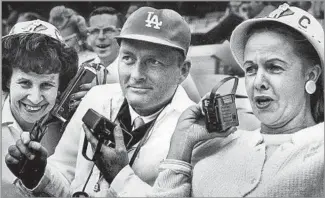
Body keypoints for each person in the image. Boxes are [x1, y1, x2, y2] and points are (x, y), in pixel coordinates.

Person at [6, 7, 195, 197]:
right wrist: (39, 175)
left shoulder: (195, 131)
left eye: (153, 62)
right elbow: (64, 173)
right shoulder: (97, 97)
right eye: (128, 58)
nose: (136, 75)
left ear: (183, 70)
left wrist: (120, 176)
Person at [149, 4, 324, 197]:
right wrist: (181, 148)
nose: (258, 82)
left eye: (274, 67)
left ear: (311, 75)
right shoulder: (216, 145)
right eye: (250, 69)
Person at [69, 6, 200, 112]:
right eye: (94, 31)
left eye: (108, 30)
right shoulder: (85, 68)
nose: (101, 37)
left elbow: (194, 108)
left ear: (121, 34)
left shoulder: (173, 71)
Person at [2, 19, 78, 196]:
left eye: (46, 85)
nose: (35, 99)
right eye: (25, 83)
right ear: (7, 80)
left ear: (60, 86)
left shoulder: (72, 127)